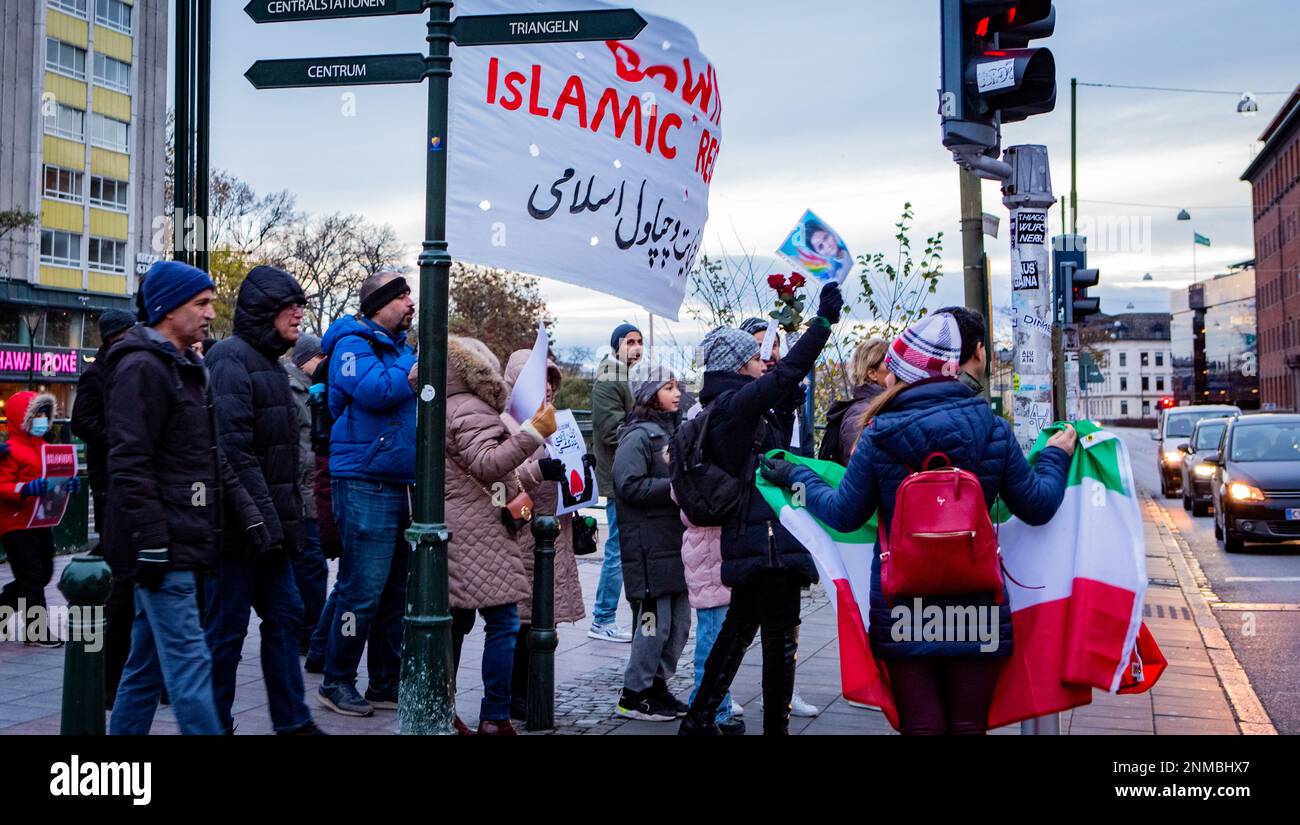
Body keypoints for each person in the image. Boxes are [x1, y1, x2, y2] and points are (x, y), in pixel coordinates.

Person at [760, 307, 1077, 735]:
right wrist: (1057, 454)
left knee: (921, 725)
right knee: (969, 726)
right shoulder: (992, 428)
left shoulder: (878, 434)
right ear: (950, 369)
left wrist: (797, 474)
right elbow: (1038, 505)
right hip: (976, 601)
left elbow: (843, 514)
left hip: (904, 604)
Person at [105, 260, 264, 735]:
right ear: (169, 309)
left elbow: (206, 460)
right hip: (164, 545)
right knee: (191, 668)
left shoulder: (185, 365)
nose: (212, 312)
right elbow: (130, 462)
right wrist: (153, 542)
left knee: (146, 667)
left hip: (180, 542)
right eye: (201, 303)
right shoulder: (143, 367)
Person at [678, 282, 842, 736]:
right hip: (762, 538)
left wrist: (785, 408)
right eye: (753, 359)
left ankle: (697, 721)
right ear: (735, 365)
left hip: (757, 535)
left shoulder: (732, 407)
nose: (762, 362)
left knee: (739, 630)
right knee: (778, 639)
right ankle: (773, 729)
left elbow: (769, 446)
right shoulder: (733, 404)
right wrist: (823, 323)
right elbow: (785, 373)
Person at [204, 265, 323, 735]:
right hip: (240, 532)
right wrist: (263, 524)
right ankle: (214, 724)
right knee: (226, 632)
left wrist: (281, 527)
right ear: (264, 311)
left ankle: (294, 721)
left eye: (300, 305)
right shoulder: (231, 359)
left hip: (269, 531)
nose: (299, 315)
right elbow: (232, 451)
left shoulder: (273, 364)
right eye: (289, 306)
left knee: (285, 618)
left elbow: (285, 460)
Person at [316, 271, 418, 718]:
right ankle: (337, 681)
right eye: (402, 297)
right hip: (362, 481)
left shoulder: (401, 349)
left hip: (398, 481)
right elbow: (378, 391)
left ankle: (384, 682)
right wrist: (412, 368)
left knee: (395, 590)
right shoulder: (351, 345)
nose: (411, 304)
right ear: (379, 304)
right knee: (361, 590)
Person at [444, 335, 557, 735]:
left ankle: (446, 709)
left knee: (455, 624)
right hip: (478, 530)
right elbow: (489, 464)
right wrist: (534, 433)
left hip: (461, 526)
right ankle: (494, 714)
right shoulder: (470, 409)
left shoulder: (441, 404)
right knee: (504, 623)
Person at [736, 316, 820, 718]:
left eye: (773, 347)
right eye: (759, 348)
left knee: (785, 621)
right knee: (741, 622)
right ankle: (718, 699)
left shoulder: (790, 394)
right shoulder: (749, 399)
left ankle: (786, 694)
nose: (768, 355)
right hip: (757, 521)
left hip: (791, 511)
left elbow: (799, 447)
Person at [502, 351, 587, 722]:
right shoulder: (506, 424)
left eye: (552, 380)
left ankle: (533, 689)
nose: (549, 387)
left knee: (543, 619)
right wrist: (538, 471)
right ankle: (514, 694)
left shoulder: (559, 423)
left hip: (553, 537)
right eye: (541, 380)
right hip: (523, 535)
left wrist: (583, 471)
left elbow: (568, 477)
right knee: (521, 622)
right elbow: (499, 478)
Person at [612, 362, 693, 721]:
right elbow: (627, 485)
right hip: (647, 546)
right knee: (652, 623)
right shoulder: (638, 436)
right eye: (668, 387)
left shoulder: (673, 432)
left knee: (677, 623)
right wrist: (674, 489)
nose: (677, 393)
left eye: (677, 387)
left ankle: (658, 686)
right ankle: (635, 694)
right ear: (650, 394)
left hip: (671, 544)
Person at [70, 308, 137, 698]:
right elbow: (82, 422)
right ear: (115, 336)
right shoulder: (97, 373)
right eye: (128, 331)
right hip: (110, 476)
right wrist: (117, 439)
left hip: (125, 474)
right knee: (116, 564)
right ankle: (108, 673)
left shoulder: (129, 367)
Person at [0, 391, 80, 647]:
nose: (42, 419)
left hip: (40, 520)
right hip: (16, 523)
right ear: (23, 418)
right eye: (37, 414)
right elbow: (2, 484)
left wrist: (68, 483)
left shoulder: (46, 448)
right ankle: (36, 632)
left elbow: (54, 477)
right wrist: (24, 489)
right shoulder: (9, 451)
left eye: (45, 414)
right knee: (33, 576)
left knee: (42, 574)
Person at [588, 322, 642, 642]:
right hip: (619, 475)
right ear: (616, 347)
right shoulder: (611, 378)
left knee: (622, 547)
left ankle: (605, 616)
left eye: (640, 342)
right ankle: (603, 618)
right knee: (618, 549)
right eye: (629, 342)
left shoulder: (622, 376)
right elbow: (611, 432)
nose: (636, 347)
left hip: (625, 474)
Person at [286, 333, 327, 655]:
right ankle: (309, 632)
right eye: (320, 357)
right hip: (300, 492)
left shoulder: (315, 389)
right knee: (311, 565)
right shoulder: (293, 389)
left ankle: (309, 631)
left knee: (311, 565)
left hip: (310, 489)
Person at [819, 337, 889, 465]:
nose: (897, 369)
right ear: (872, 373)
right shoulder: (861, 413)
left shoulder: (878, 406)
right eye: (889, 363)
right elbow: (860, 468)